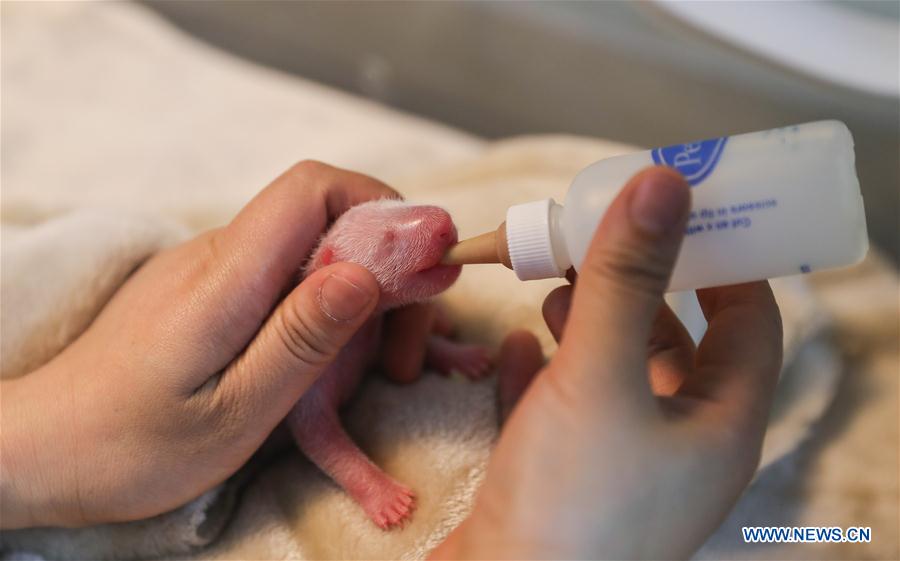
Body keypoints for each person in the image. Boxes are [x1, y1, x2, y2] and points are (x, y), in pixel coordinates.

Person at [0, 162, 782, 559]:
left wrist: (441, 346)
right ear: (333, 269)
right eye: (393, 240)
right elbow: (316, 428)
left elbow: (395, 339)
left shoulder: (369, 314)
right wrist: (369, 484)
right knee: (798, 537)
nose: (428, 229)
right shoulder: (301, 350)